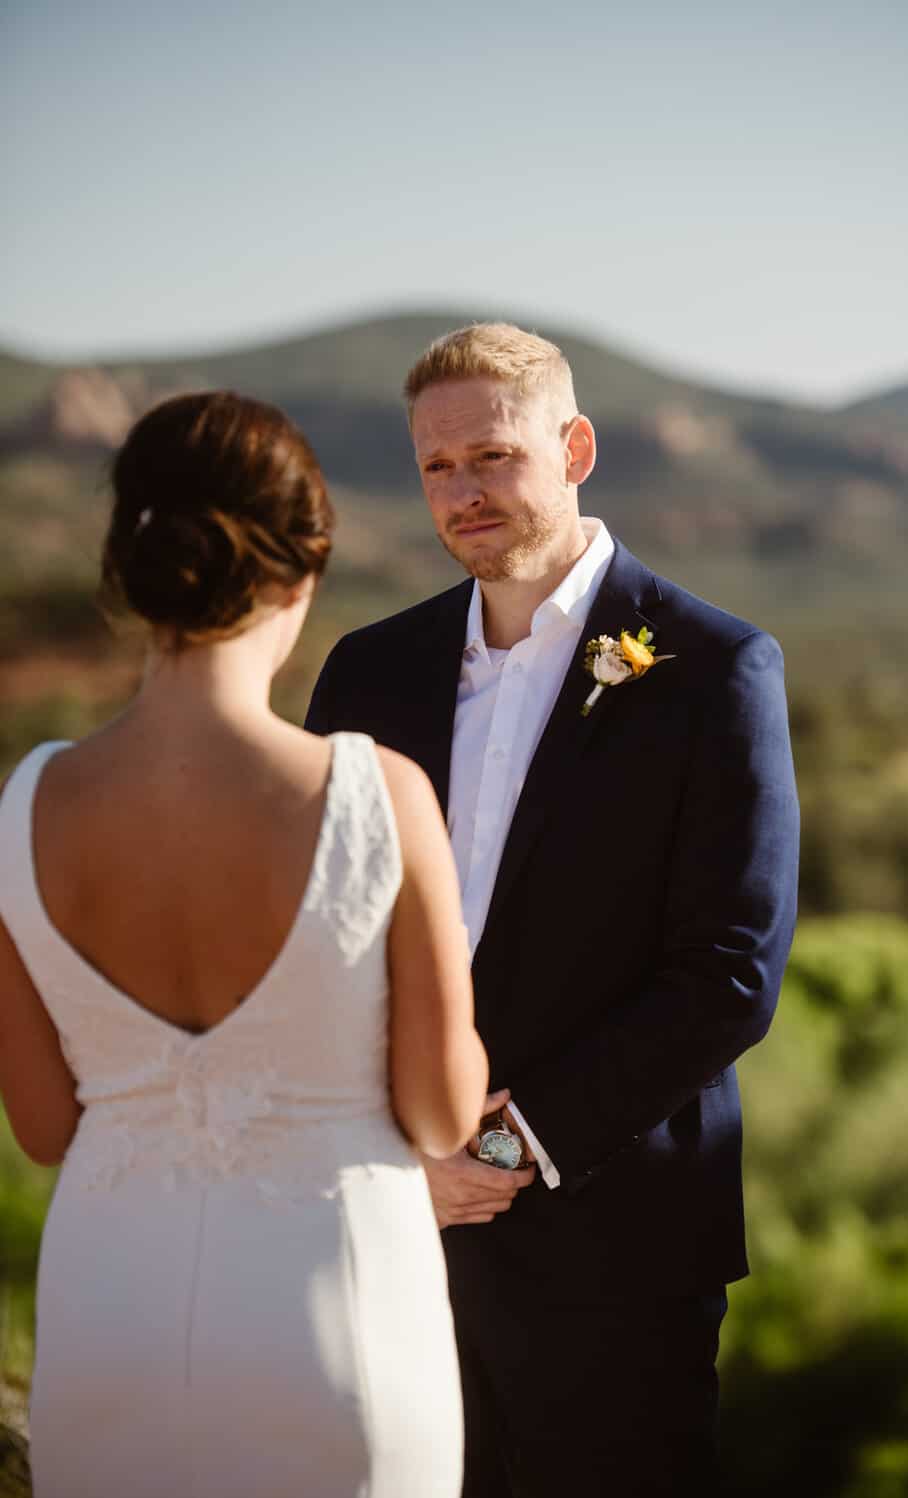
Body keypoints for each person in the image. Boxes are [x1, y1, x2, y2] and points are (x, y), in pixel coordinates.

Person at [305, 323, 800, 1496]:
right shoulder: (366, 672)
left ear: (573, 445)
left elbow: (730, 969)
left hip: (616, 1247)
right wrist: (389, 1151)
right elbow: (316, 939)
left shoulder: (714, 668)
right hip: (395, 1231)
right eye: (436, 467)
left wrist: (503, 1143)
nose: (462, 492)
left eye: (491, 456)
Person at [0, 391, 489, 1498]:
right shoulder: (377, 795)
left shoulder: (24, 808)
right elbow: (442, 1112)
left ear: (132, 569)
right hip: (337, 1323)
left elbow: (40, 1127)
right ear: (303, 570)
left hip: (107, 1321)